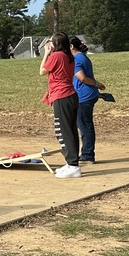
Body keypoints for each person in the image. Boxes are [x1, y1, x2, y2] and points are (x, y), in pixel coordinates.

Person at [40, 33, 81, 178]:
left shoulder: (56, 56)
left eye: (50, 41)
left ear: (55, 43)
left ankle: (73, 164)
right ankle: (72, 163)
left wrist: (46, 53)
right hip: (71, 95)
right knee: (70, 129)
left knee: (62, 131)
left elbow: (42, 71)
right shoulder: (68, 56)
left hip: (61, 96)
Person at [70, 37, 105, 165]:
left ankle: (87, 155)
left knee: (84, 125)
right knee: (85, 124)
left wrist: (96, 84)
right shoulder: (83, 58)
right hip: (88, 94)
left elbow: (83, 78)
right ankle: (86, 153)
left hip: (83, 96)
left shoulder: (77, 59)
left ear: (71, 47)